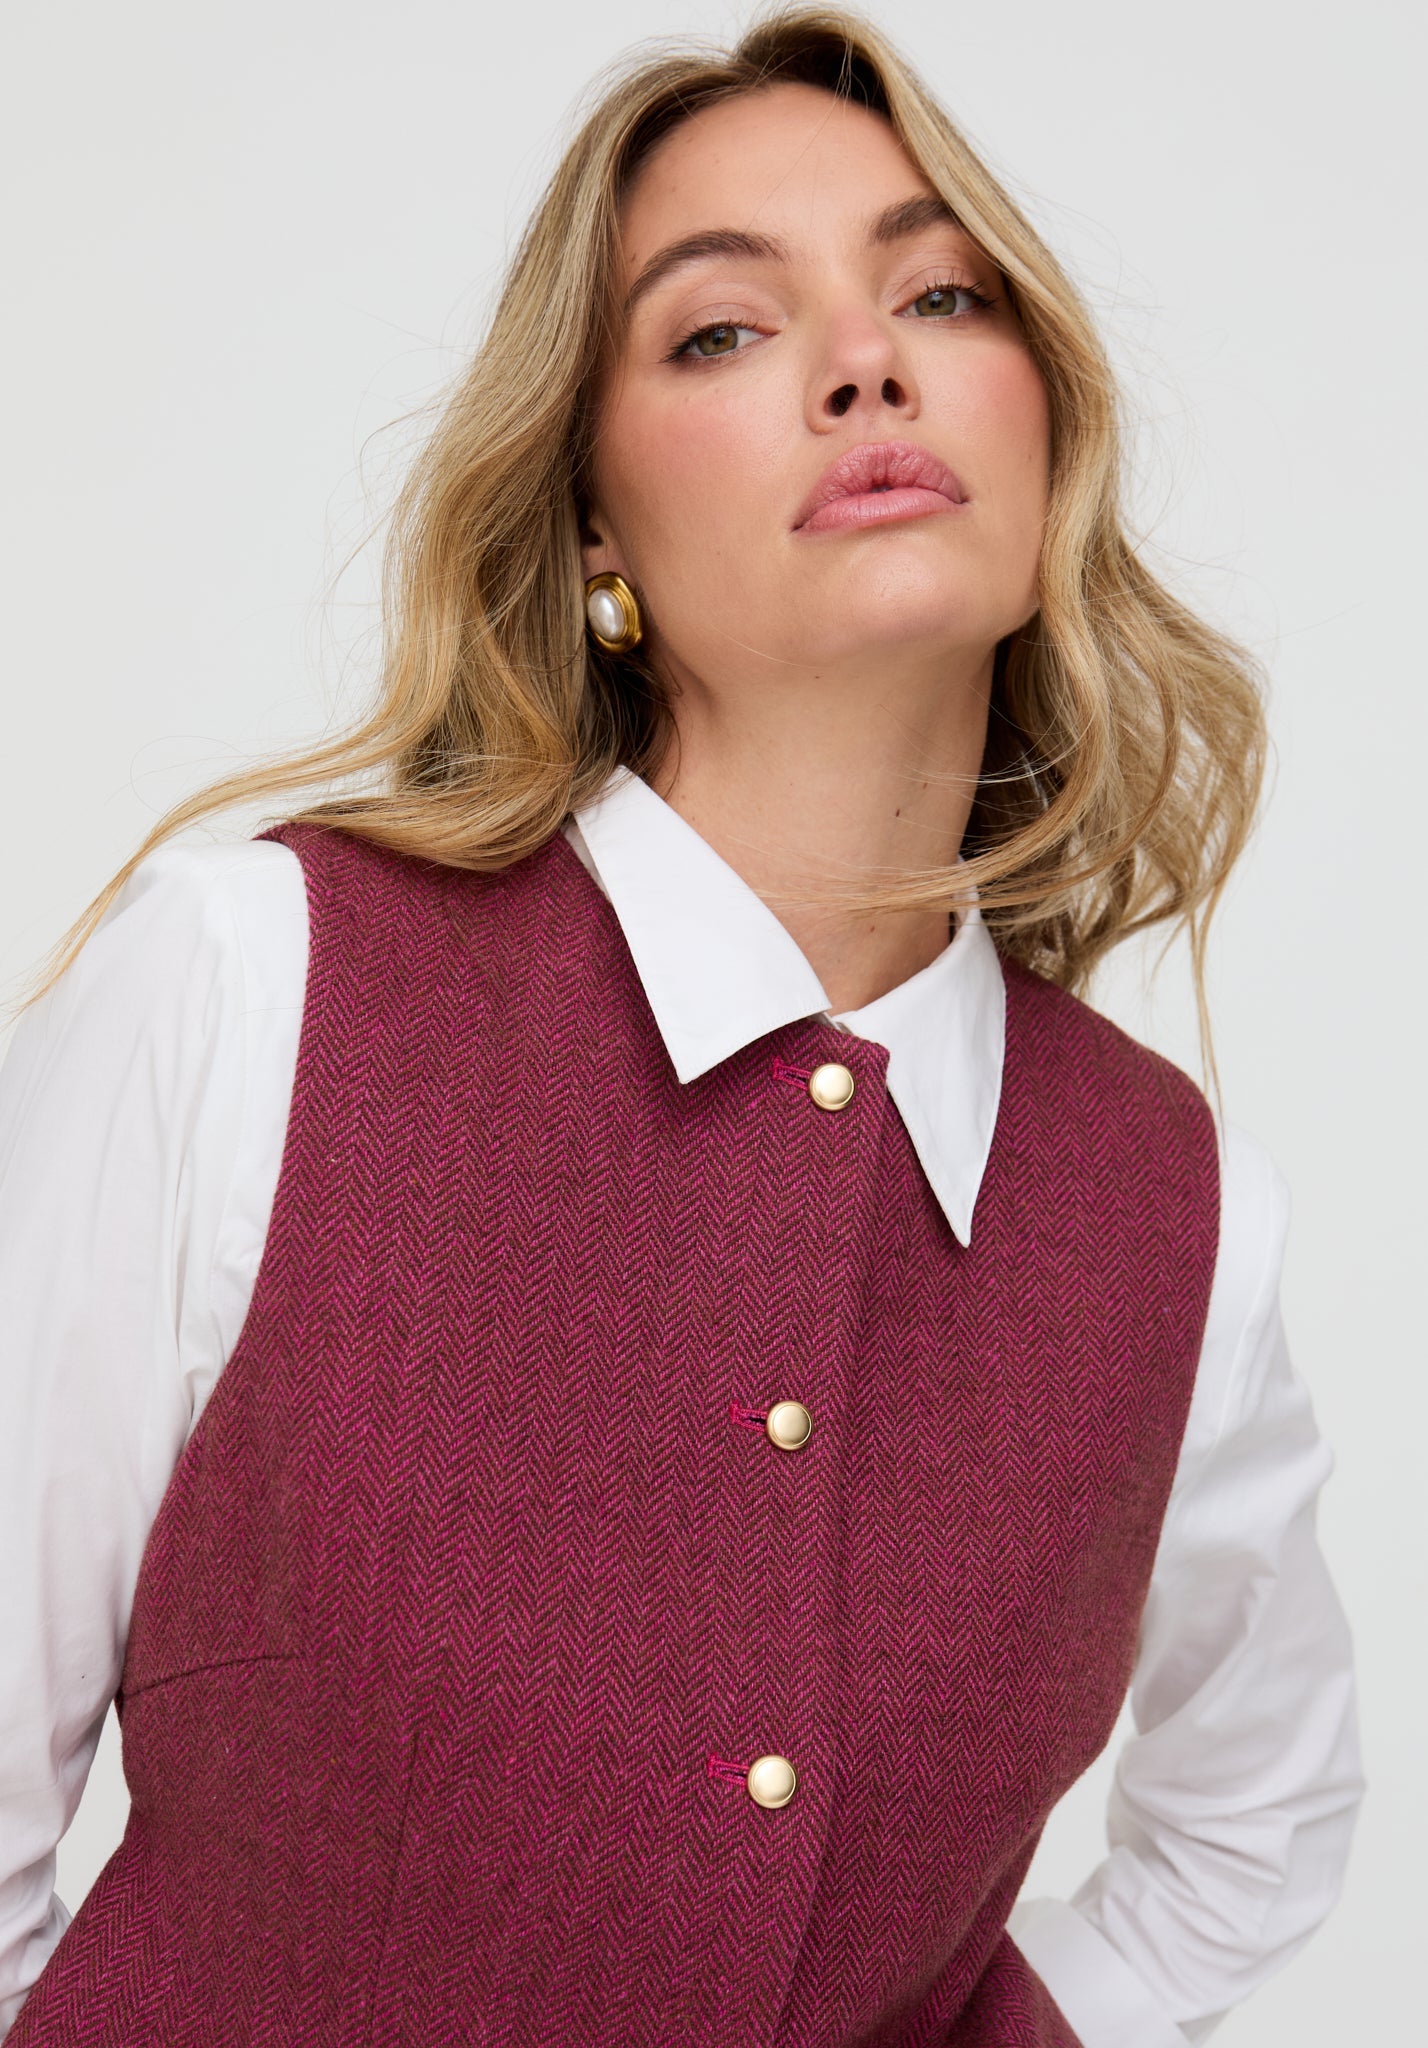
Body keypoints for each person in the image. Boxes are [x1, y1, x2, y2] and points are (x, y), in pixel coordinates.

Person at [0, 6, 1364, 2044]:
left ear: (1047, 440)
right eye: (721, 330)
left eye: (943, 294)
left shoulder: (1170, 1204)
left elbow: (1260, 1819)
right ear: (595, 530)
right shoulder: (252, 979)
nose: (867, 362)